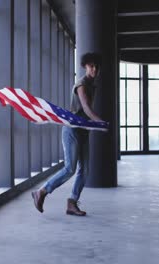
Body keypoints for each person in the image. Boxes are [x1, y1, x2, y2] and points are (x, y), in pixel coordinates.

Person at [31, 52, 105, 216]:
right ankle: (41, 192)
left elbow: (86, 112)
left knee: (84, 170)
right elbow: (85, 107)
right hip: (71, 130)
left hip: (84, 131)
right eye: (91, 66)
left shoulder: (93, 85)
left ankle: (72, 202)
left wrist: (95, 124)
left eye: (97, 66)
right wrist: (100, 122)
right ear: (85, 67)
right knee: (70, 168)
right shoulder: (82, 84)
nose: (95, 69)